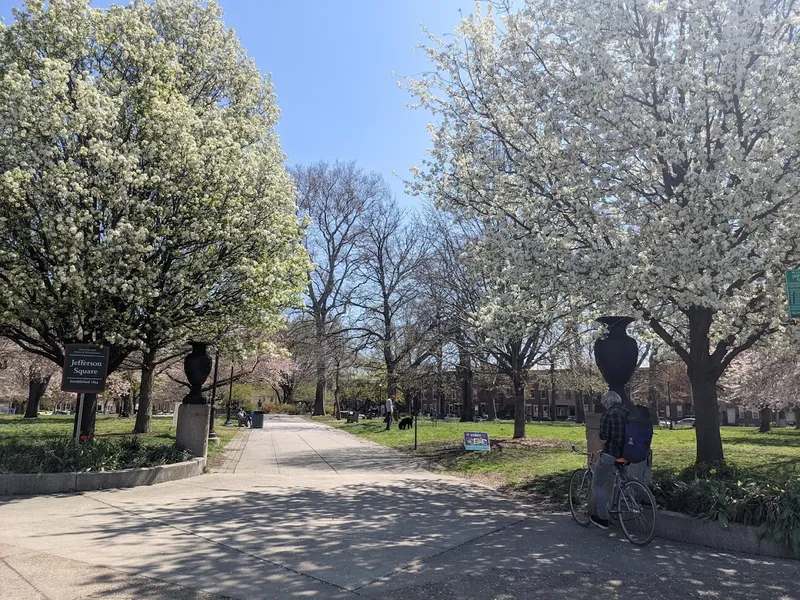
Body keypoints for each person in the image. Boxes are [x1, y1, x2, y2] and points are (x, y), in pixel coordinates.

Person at [591, 390, 629, 529]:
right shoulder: (628, 411)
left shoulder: (608, 414)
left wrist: (601, 442)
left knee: (597, 484)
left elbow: (604, 438)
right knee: (624, 482)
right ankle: (628, 506)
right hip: (627, 454)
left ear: (607, 402)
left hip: (611, 454)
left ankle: (603, 518)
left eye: (604, 403)